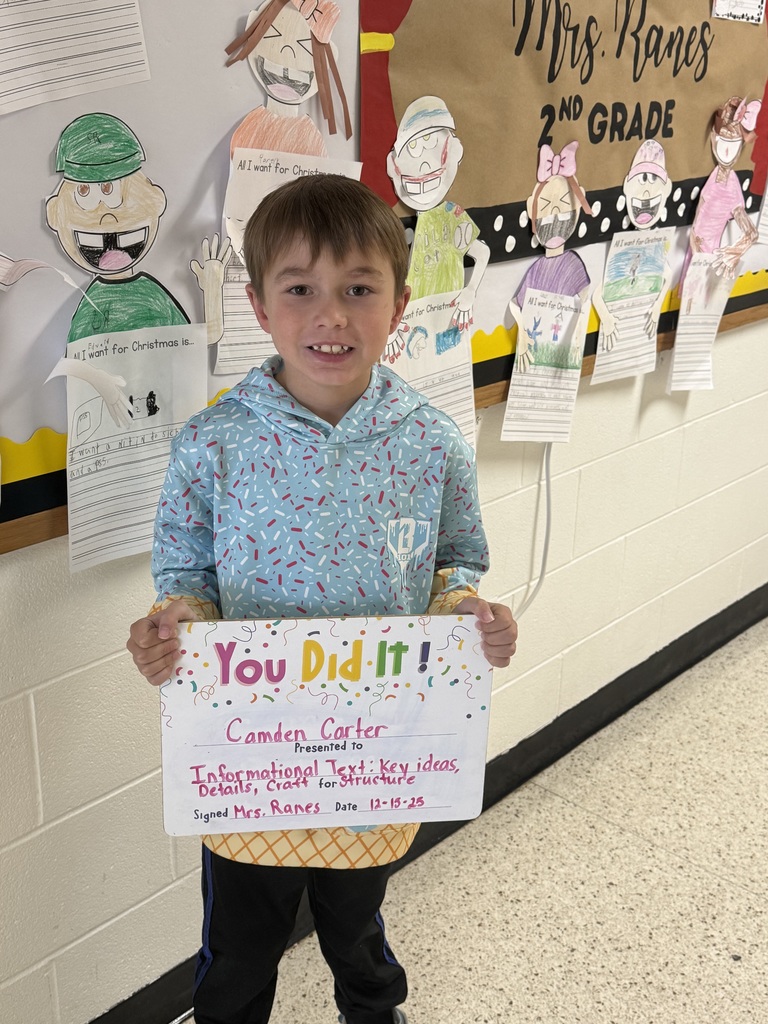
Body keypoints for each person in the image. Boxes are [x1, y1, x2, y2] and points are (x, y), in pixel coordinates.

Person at [127, 174, 518, 1024]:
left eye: (358, 289)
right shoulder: (214, 444)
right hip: (251, 765)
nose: (330, 315)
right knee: (239, 948)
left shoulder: (430, 442)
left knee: (357, 932)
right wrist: (172, 631)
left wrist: (468, 621)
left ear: (399, 302)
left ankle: (374, 1014)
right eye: (299, 289)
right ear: (262, 307)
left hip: (372, 760)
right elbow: (186, 579)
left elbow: (455, 564)